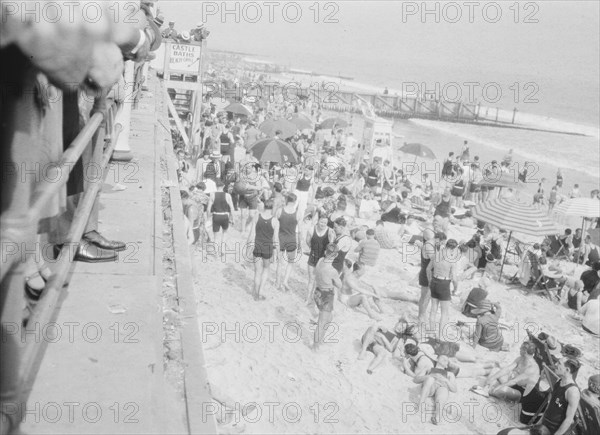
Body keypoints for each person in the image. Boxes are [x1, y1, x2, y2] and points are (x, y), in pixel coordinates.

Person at [247, 198, 279, 301]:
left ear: (264, 206)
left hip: (257, 246)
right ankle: (260, 291)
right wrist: (276, 253)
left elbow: (252, 233)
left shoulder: (257, 216)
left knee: (257, 271)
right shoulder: (275, 221)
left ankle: (255, 292)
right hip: (268, 248)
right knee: (266, 270)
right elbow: (275, 239)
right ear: (272, 208)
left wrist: (248, 246)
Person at [426, 238, 459, 338]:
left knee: (433, 309)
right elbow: (454, 278)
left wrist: (429, 281)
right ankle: (440, 336)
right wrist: (455, 289)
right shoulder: (452, 260)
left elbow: (428, 269)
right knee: (444, 313)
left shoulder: (436, 255)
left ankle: (431, 332)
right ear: (453, 249)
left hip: (434, 281)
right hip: (444, 283)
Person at [313, 243, 343, 351]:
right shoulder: (332, 271)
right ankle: (315, 346)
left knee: (329, 318)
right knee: (321, 322)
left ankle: (319, 340)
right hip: (326, 296)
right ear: (336, 255)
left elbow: (315, 273)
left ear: (325, 252)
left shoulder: (320, 260)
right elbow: (339, 285)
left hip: (317, 292)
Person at [413, 355, 458, 425]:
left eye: (447, 360)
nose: (445, 359)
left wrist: (446, 380)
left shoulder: (450, 374)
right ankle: (421, 404)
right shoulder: (429, 368)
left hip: (442, 386)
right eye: (443, 358)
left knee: (442, 394)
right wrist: (430, 376)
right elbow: (416, 379)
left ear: (446, 366)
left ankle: (437, 417)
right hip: (430, 386)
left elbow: (454, 389)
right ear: (437, 359)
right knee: (430, 379)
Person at [306, 212, 336, 304]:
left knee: (319, 281)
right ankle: (308, 299)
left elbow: (331, 247)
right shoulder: (311, 229)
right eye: (321, 222)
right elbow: (308, 242)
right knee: (311, 279)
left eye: (325, 223)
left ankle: (316, 299)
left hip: (323, 260)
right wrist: (313, 249)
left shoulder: (330, 231)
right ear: (318, 221)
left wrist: (331, 239)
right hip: (313, 257)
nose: (323, 224)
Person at [275, 193, 301, 291]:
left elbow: (275, 227)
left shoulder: (280, 211)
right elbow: (300, 231)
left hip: (281, 238)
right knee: (290, 262)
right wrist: (299, 244)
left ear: (287, 200)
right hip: (291, 239)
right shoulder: (298, 213)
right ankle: (285, 281)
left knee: (279, 263)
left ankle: (277, 283)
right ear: (295, 201)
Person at [207, 182, 235, 251]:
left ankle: (216, 253)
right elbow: (232, 208)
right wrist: (232, 218)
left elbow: (208, 208)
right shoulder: (227, 195)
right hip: (225, 216)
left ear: (216, 186)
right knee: (224, 233)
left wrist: (208, 218)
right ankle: (222, 250)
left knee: (215, 237)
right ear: (223, 186)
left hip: (216, 216)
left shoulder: (212, 195)